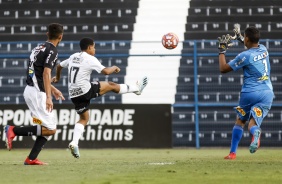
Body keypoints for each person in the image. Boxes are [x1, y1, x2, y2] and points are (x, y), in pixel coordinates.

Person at [52, 37, 148, 159]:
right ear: (89, 47)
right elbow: (106, 72)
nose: (95, 49)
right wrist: (114, 67)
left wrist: (58, 78)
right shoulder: (90, 58)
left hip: (73, 94)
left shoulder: (73, 56)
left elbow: (59, 66)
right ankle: (136, 89)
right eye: (94, 47)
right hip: (85, 90)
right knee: (111, 85)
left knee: (84, 118)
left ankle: (74, 143)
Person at [4, 23, 65, 165]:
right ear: (61, 37)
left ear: (47, 34)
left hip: (31, 90)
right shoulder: (53, 51)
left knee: (47, 128)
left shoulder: (38, 48)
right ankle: (13, 130)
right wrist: (49, 97)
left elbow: (36, 74)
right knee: (50, 129)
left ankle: (31, 158)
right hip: (38, 93)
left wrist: (54, 90)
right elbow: (46, 73)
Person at [217, 25, 274, 160]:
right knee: (253, 124)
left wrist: (221, 50)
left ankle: (232, 153)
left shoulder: (244, 55)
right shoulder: (264, 49)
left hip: (249, 94)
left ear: (247, 38)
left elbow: (223, 69)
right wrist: (240, 38)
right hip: (267, 93)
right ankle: (256, 132)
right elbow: (250, 44)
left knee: (240, 121)